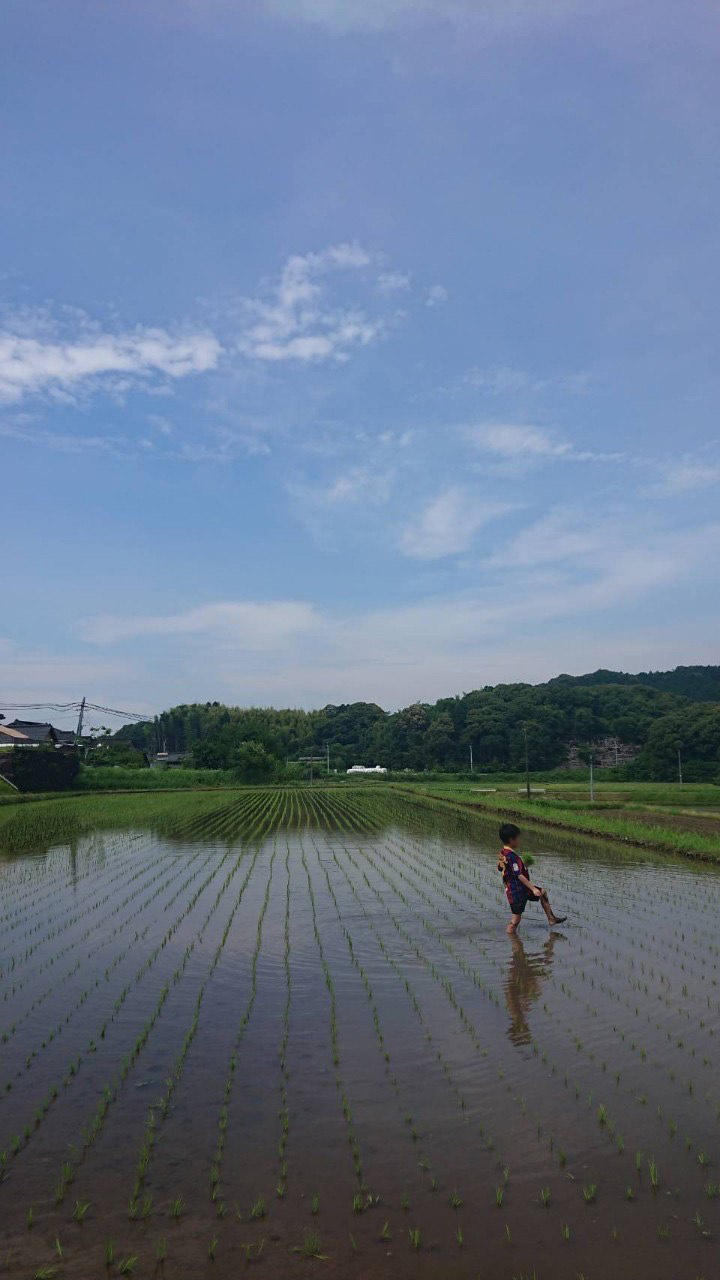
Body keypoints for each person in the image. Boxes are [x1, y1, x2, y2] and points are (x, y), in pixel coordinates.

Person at [497, 822, 566, 934]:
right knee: (516, 919)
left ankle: (551, 918)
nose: (520, 840)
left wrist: (523, 866)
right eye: (518, 838)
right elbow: (519, 875)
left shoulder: (502, 854)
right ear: (512, 839)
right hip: (516, 891)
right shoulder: (512, 856)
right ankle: (511, 939)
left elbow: (502, 869)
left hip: (521, 888)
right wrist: (533, 888)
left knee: (543, 892)